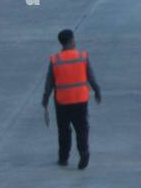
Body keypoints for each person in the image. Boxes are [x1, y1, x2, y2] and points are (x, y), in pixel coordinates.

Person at [41, 28, 101, 169]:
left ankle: (63, 158)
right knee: (82, 128)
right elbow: (91, 76)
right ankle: (84, 153)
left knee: (64, 130)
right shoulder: (82, 56)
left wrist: (45, 99)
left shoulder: (55, 60)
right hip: (80, 99)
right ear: (72, 40)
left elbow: (49, 82)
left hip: (62, 101)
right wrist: (97, 91)